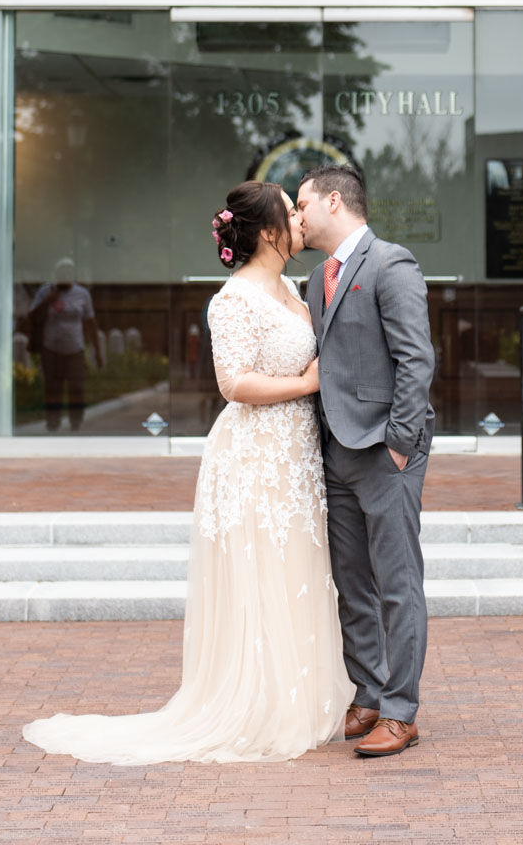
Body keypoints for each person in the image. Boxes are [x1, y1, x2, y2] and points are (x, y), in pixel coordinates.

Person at [22, 182, 354, 765]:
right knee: (261, 569)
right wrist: (306, 383)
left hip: (298, 454)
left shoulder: (295, 290)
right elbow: (234, 383)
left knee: (298, 567)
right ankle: (259, 704)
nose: (301, 219)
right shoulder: (232, 300)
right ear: (269, 232)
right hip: (254, 454)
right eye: (291, 210)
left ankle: (299, 695)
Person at [297, 164, 435, 758]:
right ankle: (369, 695)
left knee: (397, 584)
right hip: (335, 451)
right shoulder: (313, 280)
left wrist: (399, 442)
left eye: (302, 205)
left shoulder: (390, 263)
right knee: (351, 584)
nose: (297, 217)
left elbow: (416, 360)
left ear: (334, 200)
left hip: (386, 450)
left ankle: (402, 711)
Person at [28, 258, 104, 433]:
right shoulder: (45, 290)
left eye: (69, 273)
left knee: (76, 387)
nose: (65, 276)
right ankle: (53, 422)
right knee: (53, 387)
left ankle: (75, 422)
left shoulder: (82, 294)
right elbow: (32, 316)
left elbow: (90, 323)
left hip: (75, 349)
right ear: (56, 275)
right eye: (62, 273)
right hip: (51, 348)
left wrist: (97, 351)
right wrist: (48, 300)